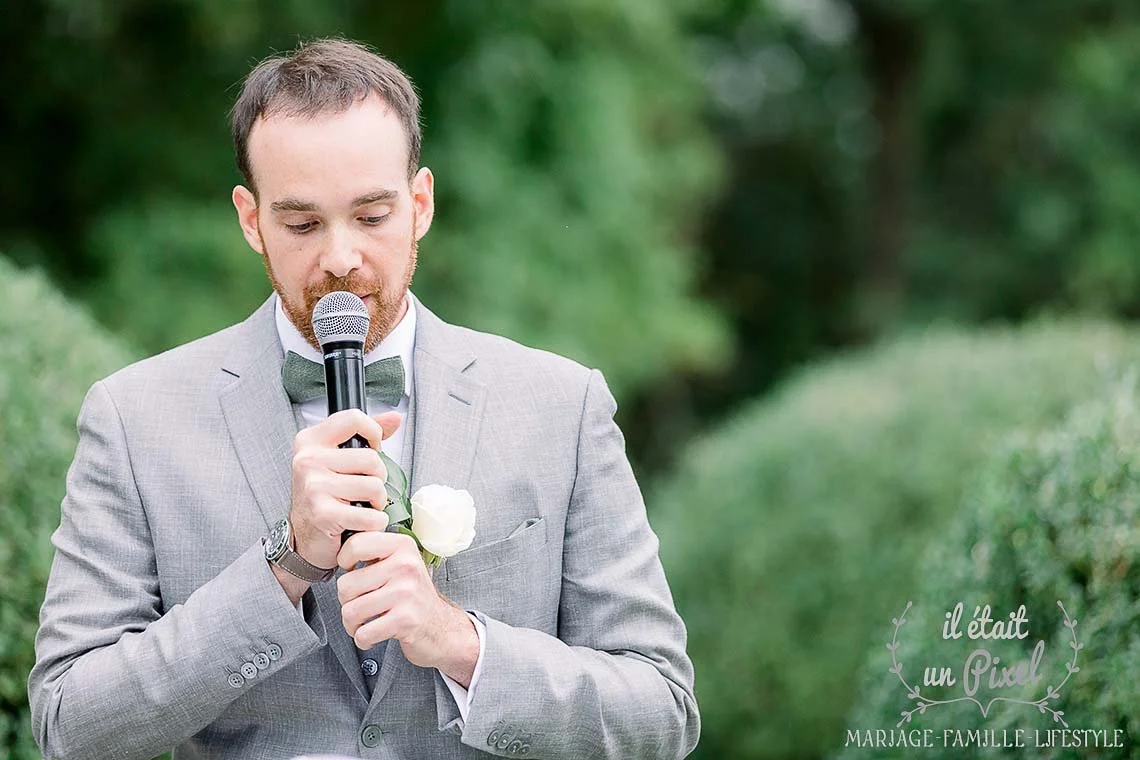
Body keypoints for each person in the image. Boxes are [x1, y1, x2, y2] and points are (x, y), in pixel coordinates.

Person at [27, 38, 699, 759]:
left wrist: (458, 643)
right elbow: (70, 725)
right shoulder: (134, 419)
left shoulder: (562, 407)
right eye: (303, 223)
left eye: (372, 217)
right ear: (252, 219)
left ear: (421, 204)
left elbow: (660, 711)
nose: (341, 257)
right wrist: (283, 567)